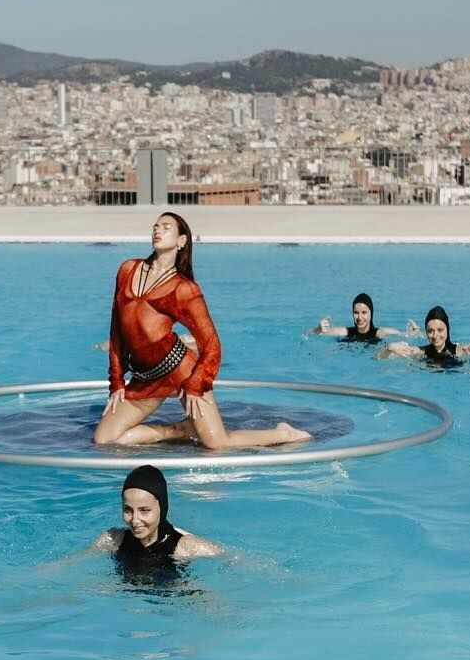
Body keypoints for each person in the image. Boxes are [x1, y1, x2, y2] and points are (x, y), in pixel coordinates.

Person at [94, 212, 311, 450]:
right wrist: (116, 381)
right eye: (155, 226)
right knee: (105, 440)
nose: (157, 230)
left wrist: (196, 384)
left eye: (166, 227)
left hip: (181, 370)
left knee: (217, 443)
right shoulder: (127, 269)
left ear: (181, 241)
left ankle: (284, 433)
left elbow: (211, 344)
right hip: (145, 376)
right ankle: (179, 430)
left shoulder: (184, 289)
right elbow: (117, 330)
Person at [90, 464, 221, 575]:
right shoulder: (113, 539)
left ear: (162, 509)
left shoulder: (186, 547)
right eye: (128, 510)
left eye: (144, 510)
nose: (135, 520)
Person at [380, 305, 470, 365]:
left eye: (440, 330)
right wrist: (388, 348)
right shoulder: (420, 352)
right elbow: (378, 358)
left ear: (448, 329)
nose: (435, 335)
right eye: (430, 331)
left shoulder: (462, 351)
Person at [309, 293, 404, 344]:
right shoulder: (345, 332)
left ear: (371, 314)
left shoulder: (379, 333)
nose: (359, 317)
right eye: (356, 312)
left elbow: (404, 336)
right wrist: (317, 329)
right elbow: (311, 334)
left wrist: (411, 333)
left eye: (364, 312)